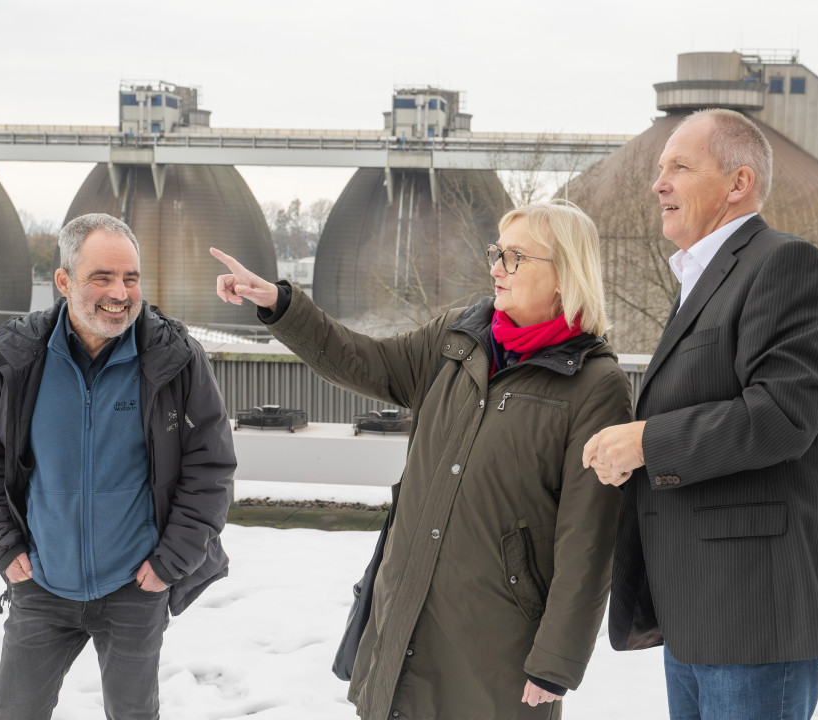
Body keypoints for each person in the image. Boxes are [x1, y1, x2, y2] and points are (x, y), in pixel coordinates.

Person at [211, 200, 631, 719]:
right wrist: (280, 305)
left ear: (565, 275)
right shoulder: (458, 337)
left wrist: (556, 661)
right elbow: (364, 360)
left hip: (498, 644)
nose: (496, 268)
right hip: (405, 612)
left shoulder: (595, 385)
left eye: (516, 258)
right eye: (497, 252)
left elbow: (588, 538)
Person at [582, 108, 818, 720]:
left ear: (738, 183)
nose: (659, 184)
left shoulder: (784, 265)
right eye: (659, 168)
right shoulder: (703, 282)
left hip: (756, 616)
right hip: (700, 610)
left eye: (680, 166)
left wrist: (647, 442)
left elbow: (781, 415)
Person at [0, 212, 235, 720]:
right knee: (16, 712)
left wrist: (170, 562)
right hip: (40, 583)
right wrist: (1, 546)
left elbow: (210, 468)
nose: (121, 292)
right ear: (63, 281)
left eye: (130, 277)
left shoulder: (175, 359)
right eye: (101, 277)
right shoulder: (18, 360)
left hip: (135, 586)